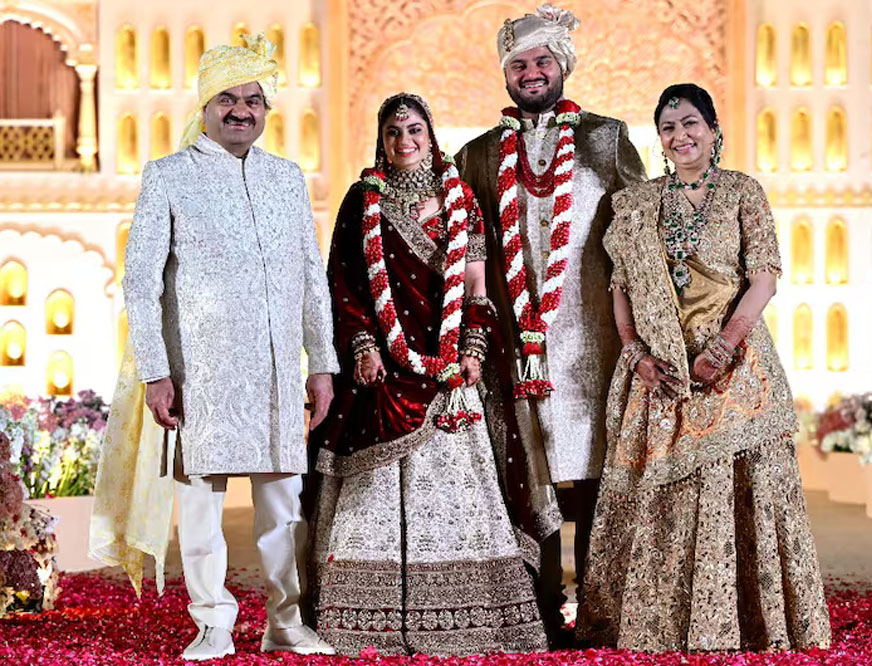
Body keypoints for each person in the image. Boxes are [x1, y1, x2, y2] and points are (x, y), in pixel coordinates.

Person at [576, 83, 831, 652]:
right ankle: (657, 624)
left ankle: (746, 623)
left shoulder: (743, 191)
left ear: (714, 130)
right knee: (662, 494)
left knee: (736, 485)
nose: (680, 136)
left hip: (736, 368)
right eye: (668, 128)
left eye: (690, 123)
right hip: (662, 373)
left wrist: (722, 347)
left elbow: (763, 278)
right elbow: (621, 287)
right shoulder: (638, 203)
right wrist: (636, 353)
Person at [119, 34, 338, 660]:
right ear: (206, 105)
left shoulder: (286, 178)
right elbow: (140, 281)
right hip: (201, 373)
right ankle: (212, 622)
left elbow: (310, 277)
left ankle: (285, 621)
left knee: (283, 510)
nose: (241, 110)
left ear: (266, 110)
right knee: (200, 507)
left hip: (276, 372)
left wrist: (321, 363)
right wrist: (156, 371)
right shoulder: (169, 175)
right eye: (228, 99)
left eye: (253, 100)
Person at [307, 92, 549, 657]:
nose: (404, 140)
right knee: (374, 496)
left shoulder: (461, 198)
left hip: (450, 375)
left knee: (462, 491)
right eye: (393, 132)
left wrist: (474, 347)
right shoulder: (363, 200)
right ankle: (369, 621)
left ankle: (471, 620)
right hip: (383, 374)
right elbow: (343, 285)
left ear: (431, 134)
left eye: (414, 129)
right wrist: (364, 346)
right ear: (380, 139)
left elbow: (478, 288)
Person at [455, 4, 646, 643]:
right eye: (518, 64)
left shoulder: (606, 139)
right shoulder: (477, 154)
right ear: (505, 75)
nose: (531, 72)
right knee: (524, 467)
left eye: (542, 61)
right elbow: (458, 247)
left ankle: (598, 609)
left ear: (562, 66)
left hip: (595, 340)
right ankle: (536, 611)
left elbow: (642, 236)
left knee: (595, 472)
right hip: (515, 346)